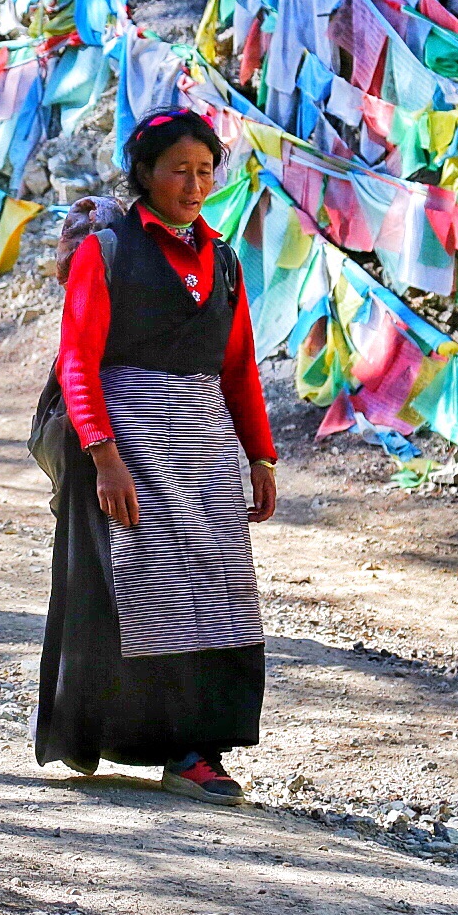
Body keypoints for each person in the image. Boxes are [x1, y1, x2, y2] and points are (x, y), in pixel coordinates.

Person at [35, 106, 277, 806]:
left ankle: (203, 746)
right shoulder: (106, 252)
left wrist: (260, 459)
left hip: (203, 452)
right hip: (125, 444)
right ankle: (150, 743)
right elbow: (78, 361)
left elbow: (239, 372)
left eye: (206, 171)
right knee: (144, 596)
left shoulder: (223, 258)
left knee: (217, 592)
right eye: (180, 170)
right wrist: (105, 457)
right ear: (145, 174)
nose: (195, 184)